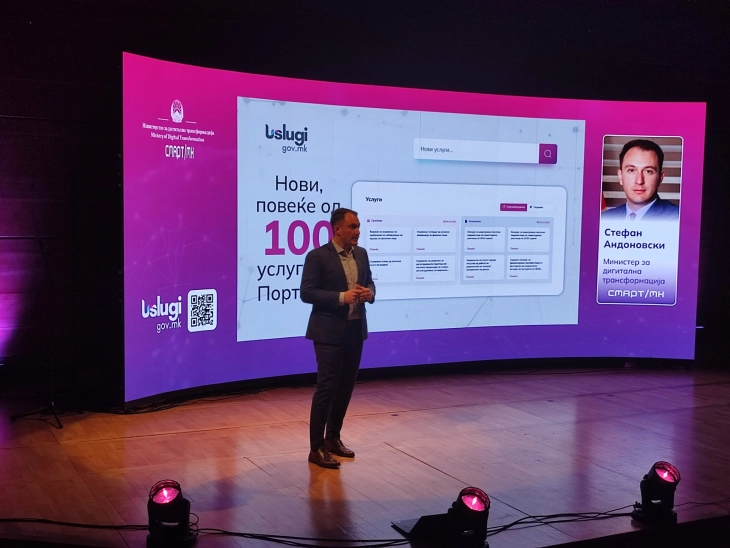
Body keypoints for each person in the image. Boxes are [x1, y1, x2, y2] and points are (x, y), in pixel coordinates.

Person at [300, 207, 375, 469]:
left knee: (345, 388)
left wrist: (369, 294)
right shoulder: (318, 256)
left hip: (355, 331)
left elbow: (370, 283)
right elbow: (307, 292)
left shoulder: (361, 254)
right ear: (337, 229)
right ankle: (316, 448)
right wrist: (341, 297)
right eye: (353, 226)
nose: (358, 231)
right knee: (326, 389)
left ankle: (332, 438)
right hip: (328, 333)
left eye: (359, 226)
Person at [601, 139, 679, 221]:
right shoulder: (605, 218)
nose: (639, 181)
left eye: (648, 171)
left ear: (660, 178)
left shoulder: (678, 218)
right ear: (620, 176)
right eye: (631, 170)